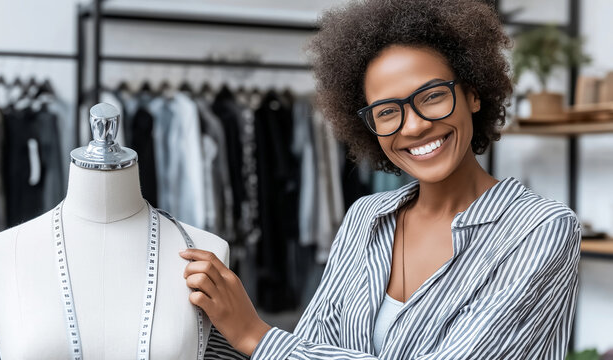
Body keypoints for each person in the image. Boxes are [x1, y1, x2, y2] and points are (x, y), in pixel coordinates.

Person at [180, 0, 582, 359]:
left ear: (473, 95)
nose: (414, 126)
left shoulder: (541, 230)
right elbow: (311, 343)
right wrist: (209, 323)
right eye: (388, 112)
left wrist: (256, 336)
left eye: (432, 96)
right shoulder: (365, 217)